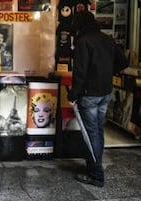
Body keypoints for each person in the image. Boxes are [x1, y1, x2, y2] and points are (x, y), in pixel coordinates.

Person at [67, 10, 128, 187]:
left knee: (90, 134)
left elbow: (80, 73)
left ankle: (96, 175)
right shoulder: (106, 39)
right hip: (105, 93)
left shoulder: (82, 41)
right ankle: (95, 167)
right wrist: (107, 73)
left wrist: (73, 95)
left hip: (90, 95)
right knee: (98, 132)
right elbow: (123, 61)